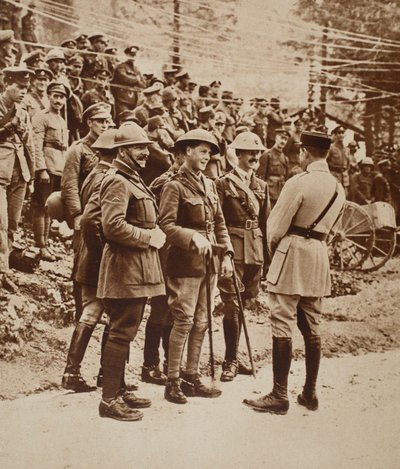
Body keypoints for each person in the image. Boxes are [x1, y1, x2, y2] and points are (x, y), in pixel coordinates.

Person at [243, 131, 345, 415]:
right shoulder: (338, 188)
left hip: (292, 253)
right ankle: (310, 393)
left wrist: (274, 253)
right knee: (312, 325)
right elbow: (334, 228)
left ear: (305, 152)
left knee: (282, 321)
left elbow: (274, 228)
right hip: (318, 256)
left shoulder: (298, 182)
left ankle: (278, 395)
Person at [159, 129, 233, 404]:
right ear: (187, 151)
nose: (207, 157)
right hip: (184, 263)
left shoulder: (211, 185)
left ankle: (192, 376)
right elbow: (165, 226)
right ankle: (172, 380)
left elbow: (220, 224)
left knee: (203, 321)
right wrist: (192, 237)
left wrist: (226, 255)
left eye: (210, 153)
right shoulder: (174, 186)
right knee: (184, 320)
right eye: (202, 151)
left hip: (210, 262)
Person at [97, 122, 165, 421]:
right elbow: (112, 226)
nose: (145, 153)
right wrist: (148, 237)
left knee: (123, 328)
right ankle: (109, 400)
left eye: (147, 148)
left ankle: (120, 390)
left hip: (137, 266)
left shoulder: (132, 178)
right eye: (139, 147)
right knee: (121, 330)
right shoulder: (117, 180)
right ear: (122, 150)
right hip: (125, 266)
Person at [61, 128, 116, 393]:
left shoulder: (95, 174)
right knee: (113, 313)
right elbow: (95, 220)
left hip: (88, 254)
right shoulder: (106, 177)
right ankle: (107, 375)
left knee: (91, 312)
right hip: (99, 255)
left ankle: (73, 372)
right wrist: (105, 251)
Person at [215, 131, 270, 381]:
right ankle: (230, 361)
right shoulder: (223, 184)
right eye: (250, 153)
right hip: (233, 250)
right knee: (231, 305)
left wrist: (267, 260)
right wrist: (221, 252)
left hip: (255, 251)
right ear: (237, 155)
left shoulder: (262, 186)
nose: (255, 157)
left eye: (258, 153)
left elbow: (266, 223)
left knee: (244, 302)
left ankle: (235, 356)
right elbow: (217, 221)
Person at [61, 102, 112, 321]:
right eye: (100, 121)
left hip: (105, 215)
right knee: (81, 261)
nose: (104, 124)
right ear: (89, 122)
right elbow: (69, 184)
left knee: (101, 259)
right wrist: (76, 215)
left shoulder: (111, 147)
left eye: (107, 121)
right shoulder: (78, 149)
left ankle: (97, 307)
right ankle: (81, 310)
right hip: (85, 214)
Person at [0, 67, 35, 284]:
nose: (23, 92)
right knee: (0, 223)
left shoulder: (22, 112)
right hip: (0, 172)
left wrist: (30, 174)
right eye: (19, 87)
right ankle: (2, 270)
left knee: (12, 223)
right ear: (7, 84)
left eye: (26, 88)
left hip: (19, 172)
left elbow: (29, 144)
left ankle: (5, 265)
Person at [31, 82, 69, 261]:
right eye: (55, 96)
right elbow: (36, 146)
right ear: (48, 96)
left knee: (49, 208)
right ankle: (40, 245)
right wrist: (41, 169)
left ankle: (45, 243)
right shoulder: (41, 117)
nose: (58, 100)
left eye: (62, 97)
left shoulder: (61, 120)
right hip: (46, 168)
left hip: (58, 168)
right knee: (40, 206)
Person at [111, 45, 146, 122]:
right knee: (124, 119)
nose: (133, 57)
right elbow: (124, 78)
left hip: (134, 101)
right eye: (131, 55)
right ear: (127, 55)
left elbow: (143, 84)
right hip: (122, 100)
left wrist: (138, 80)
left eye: (135, 55)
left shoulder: (137, 69)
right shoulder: (120, 67)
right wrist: (137, 79)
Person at [257, 128, 290, 206]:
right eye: (282, 138)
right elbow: (260, 178)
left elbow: (286, 178)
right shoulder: (267, 155)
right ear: (276, 138)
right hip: (269, 194)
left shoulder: (285, 158)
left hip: (280, 194)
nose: (283, 141)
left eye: (285, 139)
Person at [327, 125, 350, 196]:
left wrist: (345, 172)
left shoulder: (347, 149)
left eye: (342, 133)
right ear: (335, 135)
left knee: (344, 196)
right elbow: (325, 161)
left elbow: (348, 163)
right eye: (339, 133)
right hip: (334, 175)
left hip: (344, 178)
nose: (341, 135)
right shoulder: (331, 147)